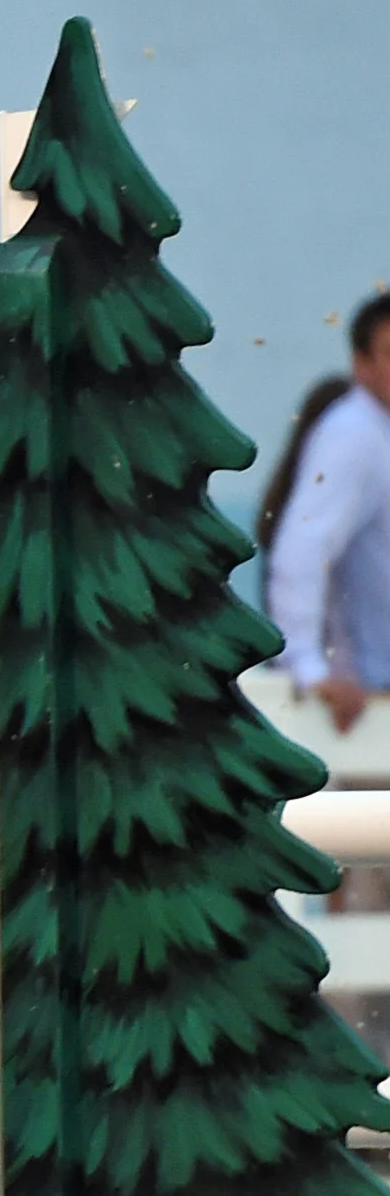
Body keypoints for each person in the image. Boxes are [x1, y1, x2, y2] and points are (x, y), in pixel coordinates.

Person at [260, 294, 390, 1053]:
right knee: (361, 911)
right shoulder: (352, 437)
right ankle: (350, 1105)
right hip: (365, 720)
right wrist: (309, 666)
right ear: (361, 364)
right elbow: (299, 555)